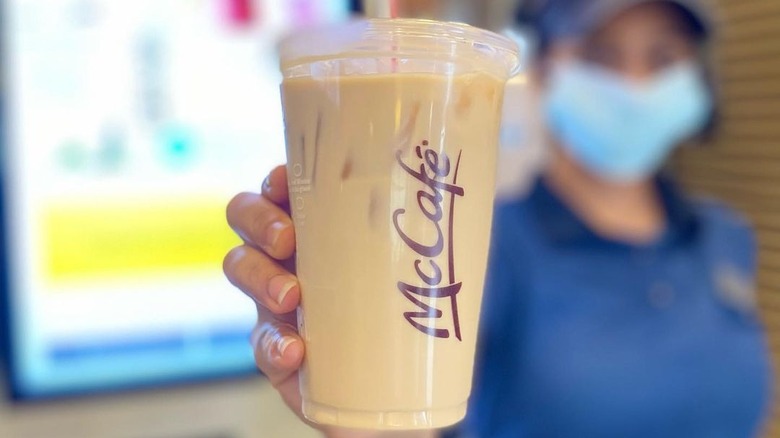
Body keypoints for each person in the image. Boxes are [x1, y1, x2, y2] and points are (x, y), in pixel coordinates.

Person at [222, 0, 773, 436]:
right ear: (546, 69)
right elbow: (408, 420)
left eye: (663, 58)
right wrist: (352, 406)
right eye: (602, 55)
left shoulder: (724, 236)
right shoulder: (479, 240)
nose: (634, 83)